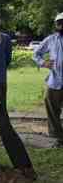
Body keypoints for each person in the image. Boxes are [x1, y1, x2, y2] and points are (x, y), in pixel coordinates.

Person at [33, 13, 63, 148]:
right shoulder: (51, 39)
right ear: (56, 25)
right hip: (55, 80)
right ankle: (58, 138)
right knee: (52, 109)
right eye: (59, 23)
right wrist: (43, 63)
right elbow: (36, 53)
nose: (61, 25)